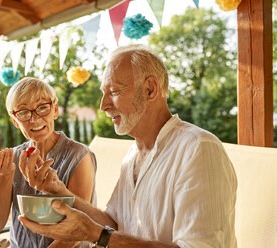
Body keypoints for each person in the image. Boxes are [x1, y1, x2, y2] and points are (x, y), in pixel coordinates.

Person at [17, 45, 238, 248]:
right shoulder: (133, 154)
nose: (103, 105)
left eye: (113, 92)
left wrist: (96, 235)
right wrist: (59, 190)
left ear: (150, 89)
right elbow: (114, 223)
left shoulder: (198, 149)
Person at [0, 77, 97, 248]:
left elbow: (76, 232)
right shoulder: (14, 157)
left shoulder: (79, 156)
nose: (34, 119)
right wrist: (4, 176)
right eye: (23, 112)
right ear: (15, 120)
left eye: (42, 107)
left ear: (55, 109)